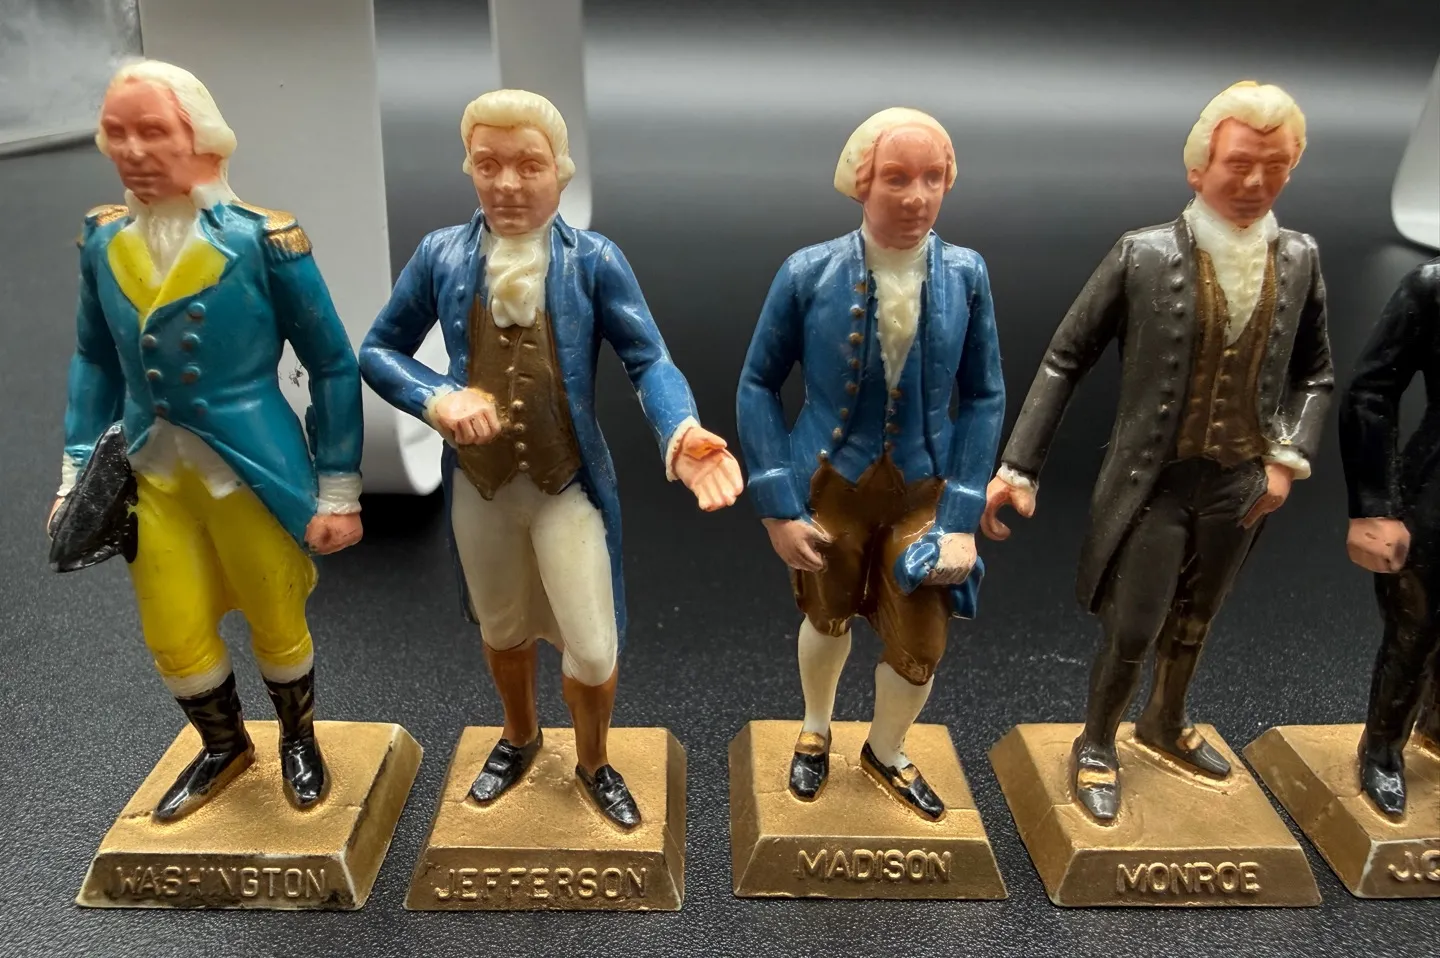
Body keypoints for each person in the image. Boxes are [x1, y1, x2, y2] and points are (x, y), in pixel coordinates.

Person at [360, 89, 742, 830]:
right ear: (469, 168)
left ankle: (594, 760)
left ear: (561, 171)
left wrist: (681, 431)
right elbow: (379, 351)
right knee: (501, 625)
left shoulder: (594, 261)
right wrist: (437, 398)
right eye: (488, 164)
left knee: (592, 647)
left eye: (528, 165)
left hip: (566, 484)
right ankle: (519, 736)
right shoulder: (440, 255)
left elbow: (648, 357)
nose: (507, 184)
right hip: (481, 487)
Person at [982, 81, 1333, 822]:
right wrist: (1019, 466)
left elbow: (1316, 374)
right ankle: (1097, 741)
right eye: (1239, 164)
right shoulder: (1142, 255)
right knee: (1135, 623)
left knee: (1199, 616)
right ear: (1198, 168)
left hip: (1240, 483)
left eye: (1274, 167)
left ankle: (1166, 722)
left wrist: (1285, 457)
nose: (1255, 182)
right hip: (1156, 484)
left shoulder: (1299, 257)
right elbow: (1065, 357)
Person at [52, 59, 365, 820]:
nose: (132, 151)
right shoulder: (102, 241)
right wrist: (74, 471)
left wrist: (338, 488)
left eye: (153, 131)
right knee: (173, 626)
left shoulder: (263, 241)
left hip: (249, 470)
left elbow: (331, 362)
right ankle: (224, 745)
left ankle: (298, 739)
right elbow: (94, 358)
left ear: (204, 139)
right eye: (117, 134)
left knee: (275, 613)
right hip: (152, 476)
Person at [736, 108, 1004, 820]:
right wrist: (777, 505)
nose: (917, 196)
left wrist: (962, 516)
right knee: (825, 614)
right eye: (896, 178)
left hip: (923, 491)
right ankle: (815, 728)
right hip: (831, 485)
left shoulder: (967, 274)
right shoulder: (807, 272)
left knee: (922, 641)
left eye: (932, 179)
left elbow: (985, 394)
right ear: (862, 183)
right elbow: (757, 383)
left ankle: (886, 750)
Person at [1339, 256, 1440, 816]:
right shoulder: (1431, 288)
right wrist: (1374, 508)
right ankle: (1382, 749)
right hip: (1435, 490)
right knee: (1416, 626)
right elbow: (1371, 393)